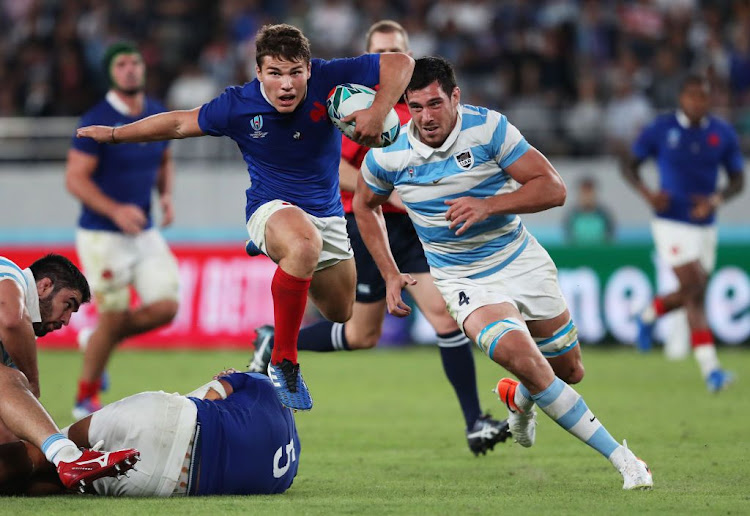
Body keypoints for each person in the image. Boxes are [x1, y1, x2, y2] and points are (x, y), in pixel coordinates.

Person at [76, 24, 415, 411]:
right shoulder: (237, 104)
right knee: (302, 244)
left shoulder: (330, 75)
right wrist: (116, 135)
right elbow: (177, 123)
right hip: (271, 208)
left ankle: (276, 260)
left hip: (328, 216)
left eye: (294, 72)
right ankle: (284, 361)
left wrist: (379, 109)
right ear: (259, 73)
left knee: (342, 311)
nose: (286, 84)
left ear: (308, 68)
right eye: (275, 73)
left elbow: (402, 62)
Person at [354, 57, 653, 490]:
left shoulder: (489, 128)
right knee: (524, 358)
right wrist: (389, 272)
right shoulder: (389, 152)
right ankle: (625, 459)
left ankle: (518, 398)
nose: (426, 117)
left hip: (519, 260)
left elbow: (553, 188)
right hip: (463, 282)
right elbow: (365, 205)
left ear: (455, 97)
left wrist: (489, 205)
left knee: (568, 370)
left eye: (435, 104)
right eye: (415, 107)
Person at [250, 20, 509, 456]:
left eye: (396, 49)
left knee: (445, 320)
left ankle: (474, 423)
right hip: (370, 225)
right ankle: (273, 342)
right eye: (381, 49)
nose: (389, 55)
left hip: (417, 228)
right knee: (359, 335)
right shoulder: (352, 103)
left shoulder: (423, 106)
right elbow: (335, 169)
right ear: (371, 55)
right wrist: (386, 188)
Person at [65, 42, 180, 419]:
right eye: (121, 64)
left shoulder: (156, 113)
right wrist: (114, 210)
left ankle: (95, 340)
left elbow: (164, 157)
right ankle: (85, 397)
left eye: (135, 62)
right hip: (102, 235)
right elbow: (75, 180)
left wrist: (165, 196)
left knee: (166, 307)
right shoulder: (97, 118)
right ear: (111, 72)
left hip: (143, 232)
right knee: (113, 316)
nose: (130, 69)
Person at [623, 74, 744, 392]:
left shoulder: (722, 133)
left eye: (703, 96)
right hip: (670, 221)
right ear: (681, 98)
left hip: (705, 226)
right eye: (691, 96)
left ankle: (648, 314)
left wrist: (715, 199)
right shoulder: (661, 129)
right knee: (693, 286)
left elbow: (737, 180)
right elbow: (628, 164)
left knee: (696, 290)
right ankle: (711, 371)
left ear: (709, 99)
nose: (697, 102)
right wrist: (648, 194)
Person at [0, 368, 299, 496]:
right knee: (58, 485)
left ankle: (60, 457)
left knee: (48, 452)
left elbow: (207, 398)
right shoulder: (288, 473)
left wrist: (229, 378)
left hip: (165, 422)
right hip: (165, 485)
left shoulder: (261, 383)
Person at [0, 254, 140, 492]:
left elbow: (7, 437)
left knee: (19, 460)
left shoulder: (8, 351)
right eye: (68, 304)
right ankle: (68, 456)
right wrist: (31, 381)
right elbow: (13, 319)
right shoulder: (9, 273)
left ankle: (77, 469)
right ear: (44, 286)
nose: (66, 320)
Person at [563, 177, 615, 244]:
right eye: (584, 192)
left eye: (589, 192)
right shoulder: (571, 217)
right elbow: (569, 239)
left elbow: (609, 238)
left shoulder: (605, 216)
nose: (587, 196)